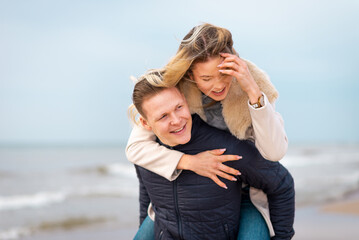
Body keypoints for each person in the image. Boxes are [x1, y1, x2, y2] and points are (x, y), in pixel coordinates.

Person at [127, 23, 289, 239]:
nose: (218, 85)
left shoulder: (252, 84)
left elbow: (275, 153)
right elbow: (137, 149)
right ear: (190, 75)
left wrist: (252, 91)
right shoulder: (173, 90)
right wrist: (190, 161)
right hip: (197, 195)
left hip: (248, 184)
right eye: (206, 79)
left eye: (224, 74)